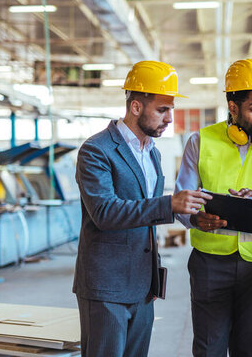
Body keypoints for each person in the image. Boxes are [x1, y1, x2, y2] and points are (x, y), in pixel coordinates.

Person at [73, 60, 212, 357]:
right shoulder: (97, 150)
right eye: (162, 110)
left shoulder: (152, 154)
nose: (169, 119)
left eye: (170, 110)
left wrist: (194, 216)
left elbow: (146, 209)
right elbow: (105, 212)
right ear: (136, 107)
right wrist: (168, 204)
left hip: (142, 285)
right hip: (107, 287)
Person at [175, 58, 252, 357]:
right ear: (233, 107)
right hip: (209, 263)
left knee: (248, 349)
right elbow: (182, 199)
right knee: (208, 349)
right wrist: (195, 219)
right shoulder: (200, 141)